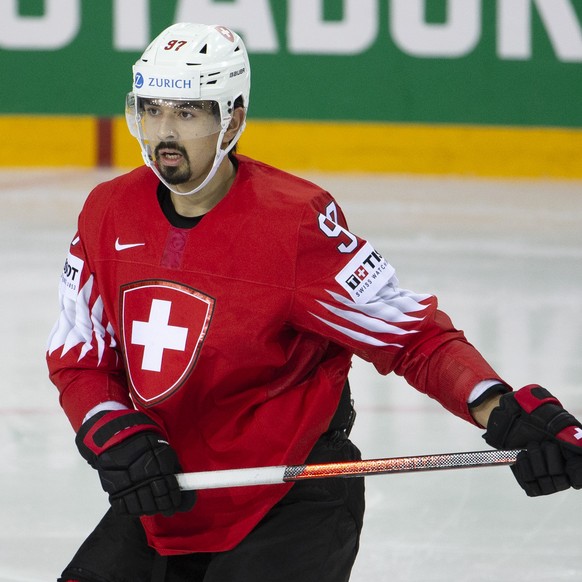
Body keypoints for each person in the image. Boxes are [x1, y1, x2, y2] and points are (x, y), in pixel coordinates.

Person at [46, 22, 582, 582]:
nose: (164, 134)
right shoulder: (108, 212)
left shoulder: (296, 223)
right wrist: (113, 429)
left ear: (232, 117)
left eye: (187, 113)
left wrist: (501, 409)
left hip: (291, 498)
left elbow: (413, 339)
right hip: (170, 495)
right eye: (152, 110)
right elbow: (81, 355)